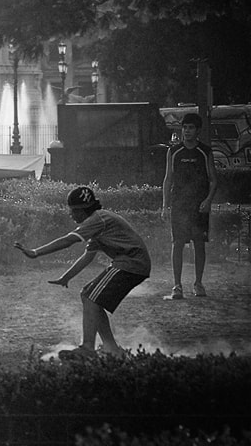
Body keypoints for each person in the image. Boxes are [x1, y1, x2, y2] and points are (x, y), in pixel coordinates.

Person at [15, 186, 151, 359]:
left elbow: (68, 240)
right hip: (133, 264)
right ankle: (111, 349)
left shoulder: (97, 219)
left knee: (89, 298)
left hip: (131, 263)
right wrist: (66, 277)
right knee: (89, 296)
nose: (71, 215)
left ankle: (88, 348)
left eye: (72, 210)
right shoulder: (100, 222)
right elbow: (88, 256)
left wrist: (35, 253)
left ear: (81, 210)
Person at [161, 112, 217, 299]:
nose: (187, 131)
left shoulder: (205, 151)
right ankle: (177, 286)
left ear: (198, 130)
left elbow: (214, 181)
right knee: (177, 244)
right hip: (179, 205)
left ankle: (198, 284)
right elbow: (168, 180)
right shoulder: (174, 151)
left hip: (198, 206)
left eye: (191, 127)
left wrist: (208, 200)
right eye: (184, 127)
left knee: (199, 244)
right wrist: (164, 205)